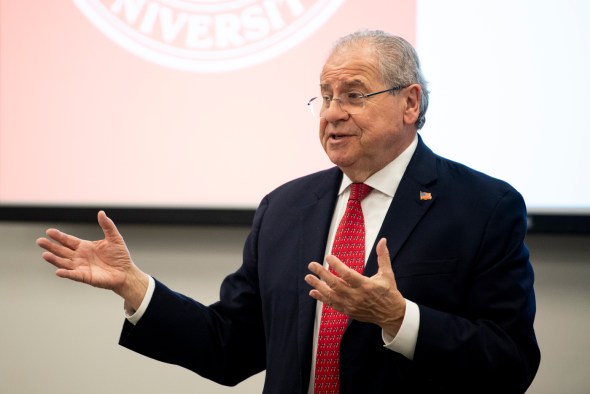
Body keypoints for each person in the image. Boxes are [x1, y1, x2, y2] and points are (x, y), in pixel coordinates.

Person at [37, 30, 540, 393]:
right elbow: (229, 347)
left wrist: (399, 318)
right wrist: (136, 287)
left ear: (410, 103)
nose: (332, 113)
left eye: (353, 95)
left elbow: (511, 363)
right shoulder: (286, 208)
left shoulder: (483, 207)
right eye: (324, 97)